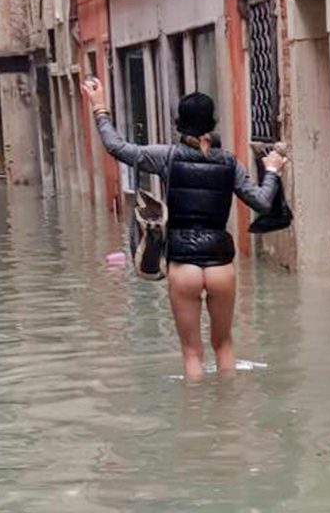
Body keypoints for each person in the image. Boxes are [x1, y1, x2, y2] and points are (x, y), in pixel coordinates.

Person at [82, 78, 287, 379]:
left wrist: (99, 107)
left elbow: (117, 147)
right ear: (213, 123)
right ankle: (228, 420)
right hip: (220, 266)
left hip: (183, 267)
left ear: (179, 124)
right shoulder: (230, 163)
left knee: (192, 352)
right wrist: (272, 171)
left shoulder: (167, 157)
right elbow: (262, 202)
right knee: (225, 345)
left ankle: (195, 419)